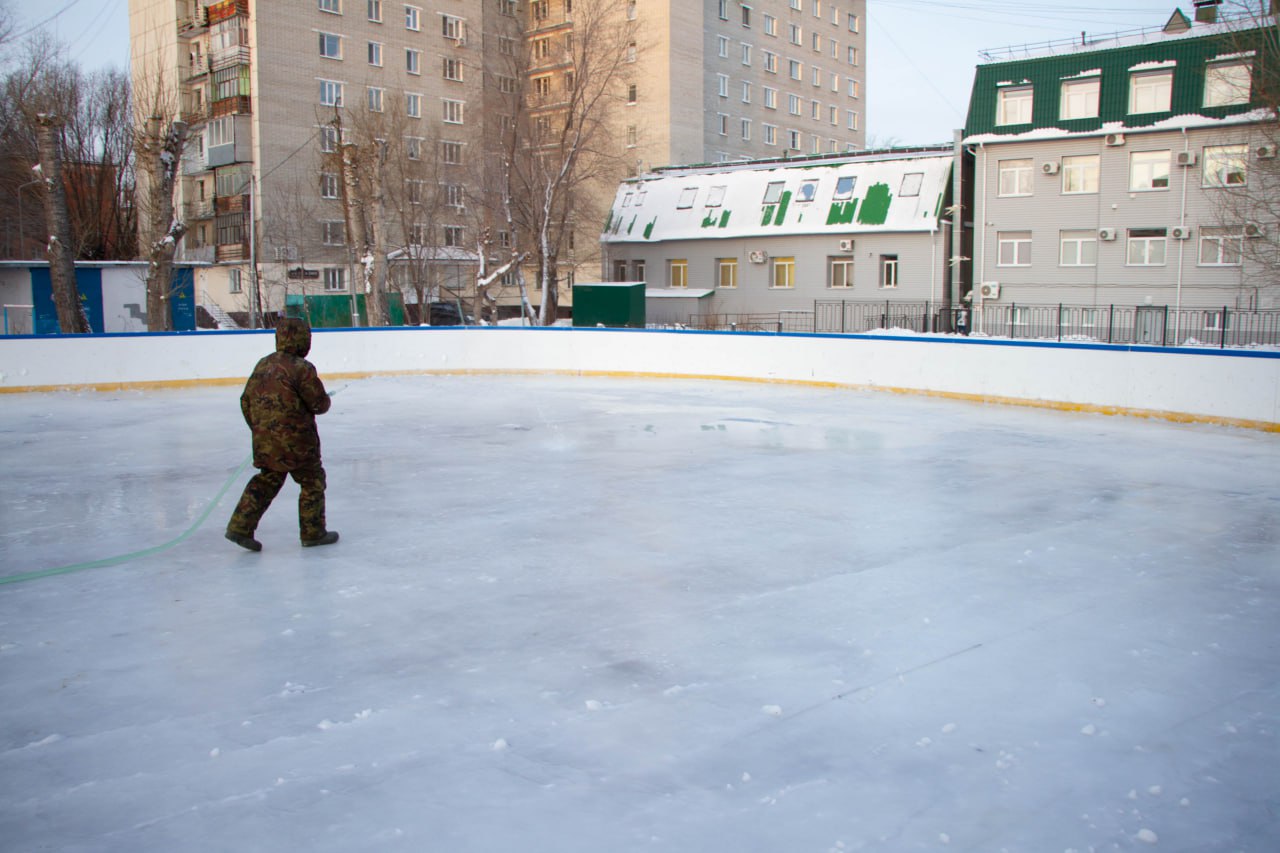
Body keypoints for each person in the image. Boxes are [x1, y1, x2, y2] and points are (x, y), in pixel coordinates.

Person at [225, 317, 339, 551]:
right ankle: (313, 533)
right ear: (304, 340)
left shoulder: (263, 364)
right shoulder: (302, 368)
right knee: (312, 481)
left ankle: (240, 527)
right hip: (298, 442)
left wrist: (261, 429)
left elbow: (245, 401)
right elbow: (319, 405)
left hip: (265, 440)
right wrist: (325, 399)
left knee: (267, 480)